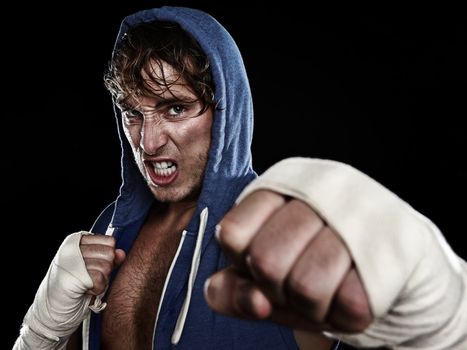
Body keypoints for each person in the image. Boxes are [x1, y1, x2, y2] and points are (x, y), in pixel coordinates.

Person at [13, 6, 467, 350]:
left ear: (226, 112)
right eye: (134, 113)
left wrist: (442, 316)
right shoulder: (108, 229)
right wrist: (40, 331)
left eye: (176, 108)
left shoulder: (275, 235)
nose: (148, 142)